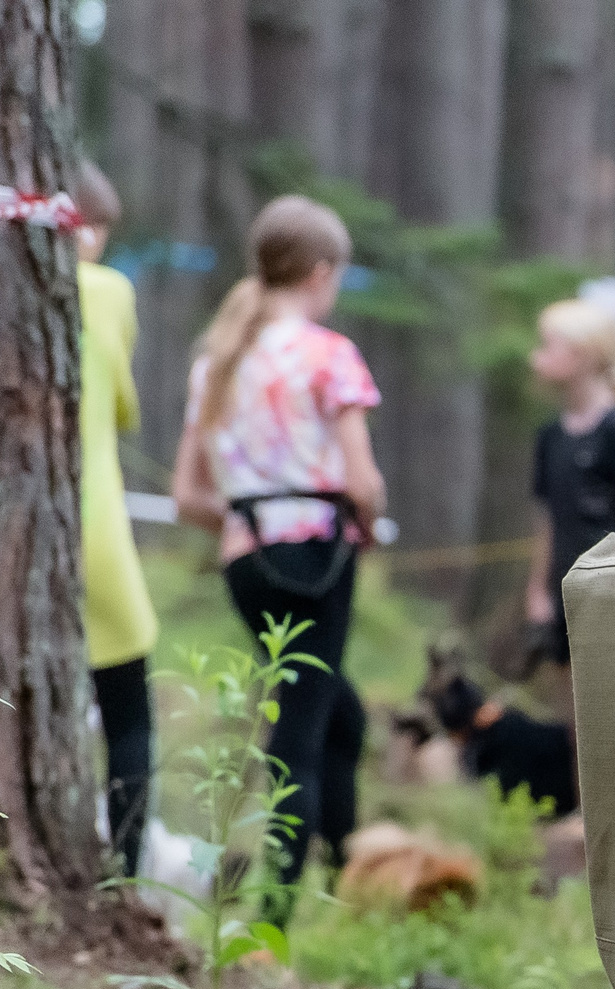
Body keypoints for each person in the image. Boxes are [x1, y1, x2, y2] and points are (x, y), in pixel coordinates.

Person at [170, 194, 385, 916]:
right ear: (322, 272)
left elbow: (189, 494)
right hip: (320, 557)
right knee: (299, 723)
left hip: (246, 561)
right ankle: (278, 913)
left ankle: (347, 865)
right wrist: (368, 518)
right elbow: (361, 480)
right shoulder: (330, 357)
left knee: (336, 713)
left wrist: (246, 515)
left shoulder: (218, 362)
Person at [73, 161, 159, 879]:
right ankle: (125, 868)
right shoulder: (106, 290)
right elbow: (125, 406)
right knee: (128, 709)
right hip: (92, 528)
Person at [525, 299, 615, 723]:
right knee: (570, 719)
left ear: (582, 355)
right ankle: (576, 792)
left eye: (549, 345)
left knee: (611, 714)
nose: (536, 356)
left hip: (610, 588)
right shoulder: (549, 436)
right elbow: (549, 519)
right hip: (564, 587)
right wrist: (537, 589)